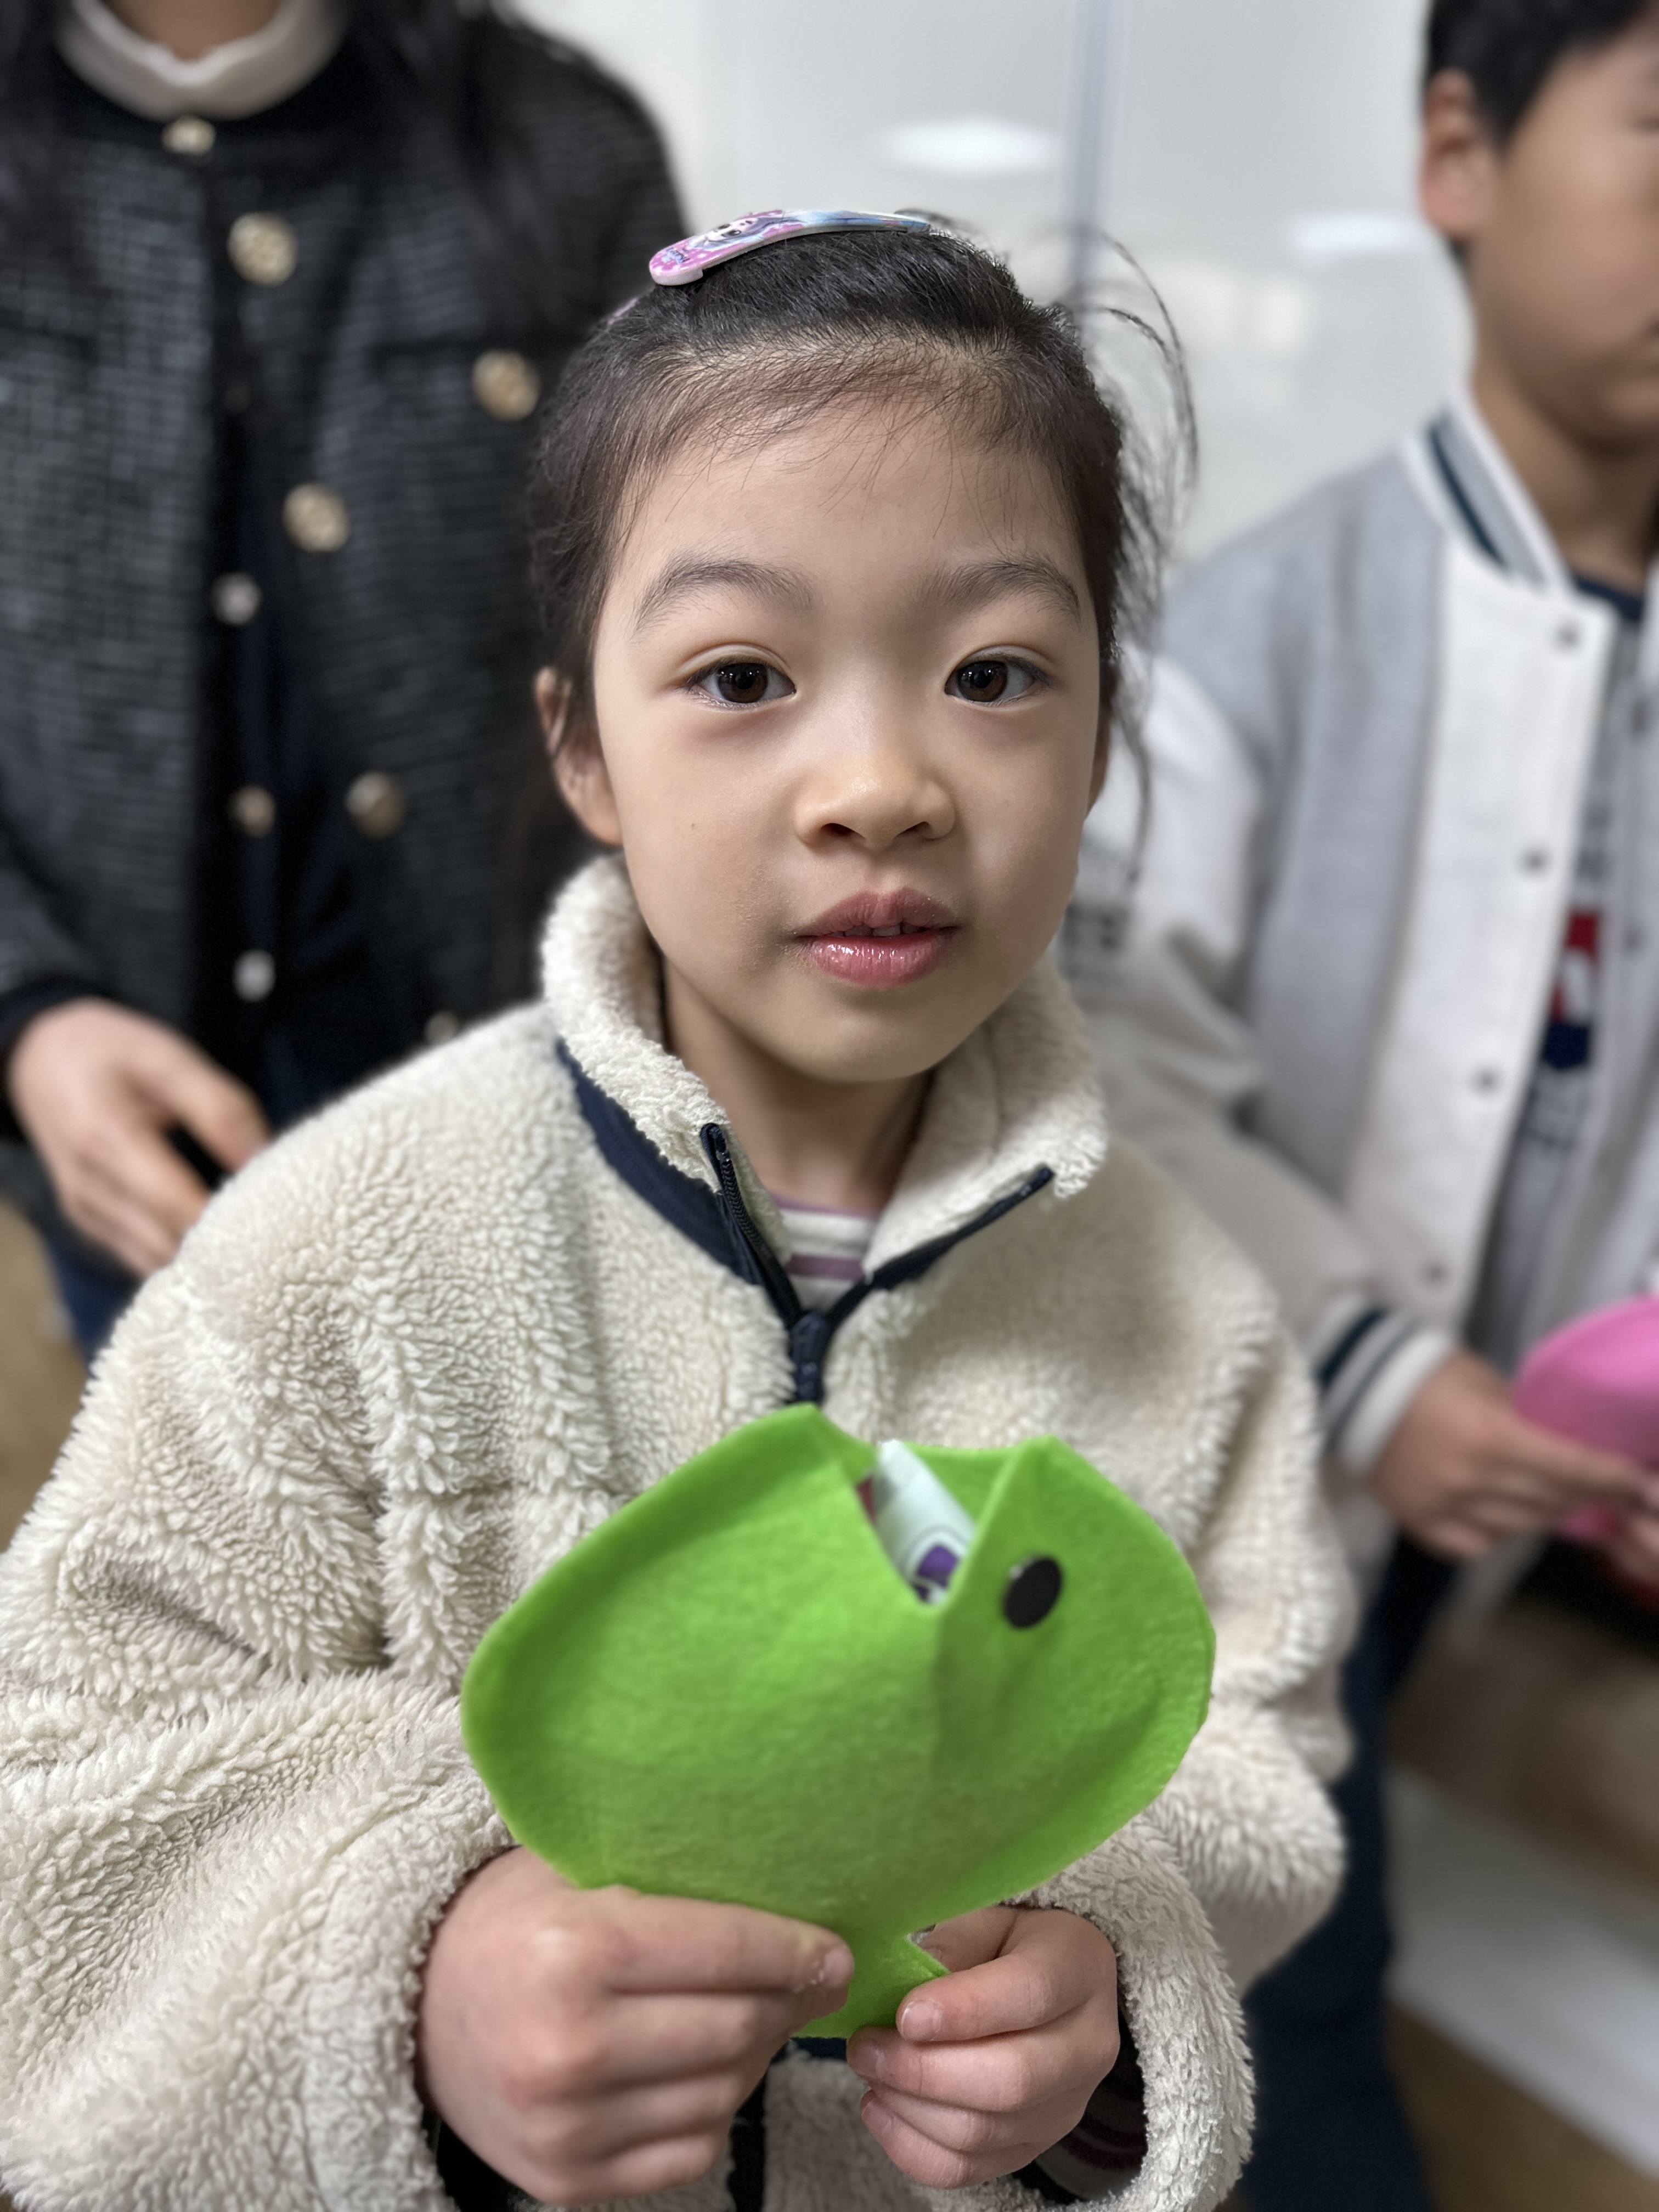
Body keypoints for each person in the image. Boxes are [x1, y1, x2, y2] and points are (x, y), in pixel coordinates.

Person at [0, 217, 1348, 2212]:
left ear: (1098, 731)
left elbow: (1251, 1776)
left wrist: (1108, 1999)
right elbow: (67, 1801)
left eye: (993, 673)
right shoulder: (345, 1243)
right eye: (741, 676)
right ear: (584, 747)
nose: (879, 785)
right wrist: (414, 1978)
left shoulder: (1188, 1314)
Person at [1063, 4, 1659, 2206]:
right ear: (1457, 156)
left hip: (1509, 1510)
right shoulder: (1259, 634)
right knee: (1269, 2035)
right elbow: (1105, 1067)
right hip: (1218, 1501)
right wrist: (1366, 1359)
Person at [0, 0, 681, 1356]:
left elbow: (678, 640)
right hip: (121, 1130)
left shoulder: (563, 145)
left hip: (520, 1106)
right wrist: (26, 1020)